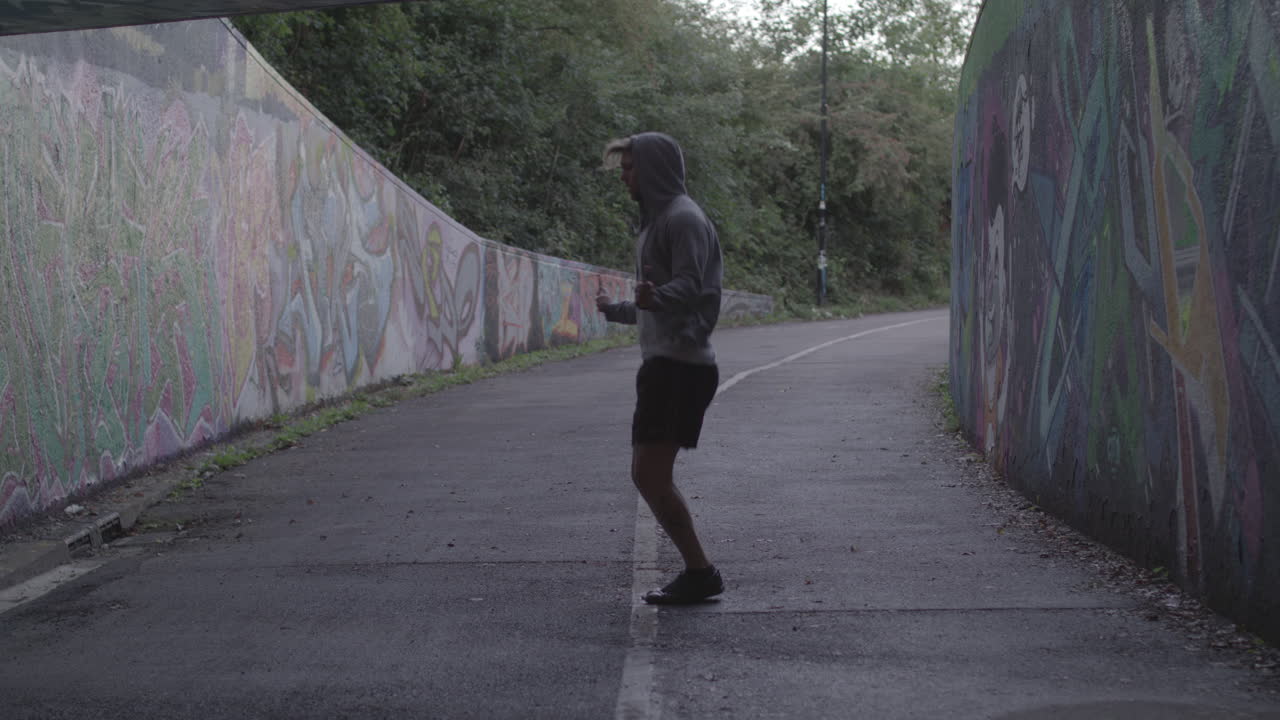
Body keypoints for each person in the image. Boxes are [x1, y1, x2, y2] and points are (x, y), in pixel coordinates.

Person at [596, 132, 725, 604]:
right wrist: (619, 309)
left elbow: (691, 286)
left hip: (682, 366)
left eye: (630, 167)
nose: (625, 176)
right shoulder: (656, 223)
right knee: (645, 473)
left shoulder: (684, 219)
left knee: (649, 475)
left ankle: (700, 571)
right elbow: (657, 301)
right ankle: (698, 570)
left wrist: (655, 297)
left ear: (653, 170)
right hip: (664, 364)